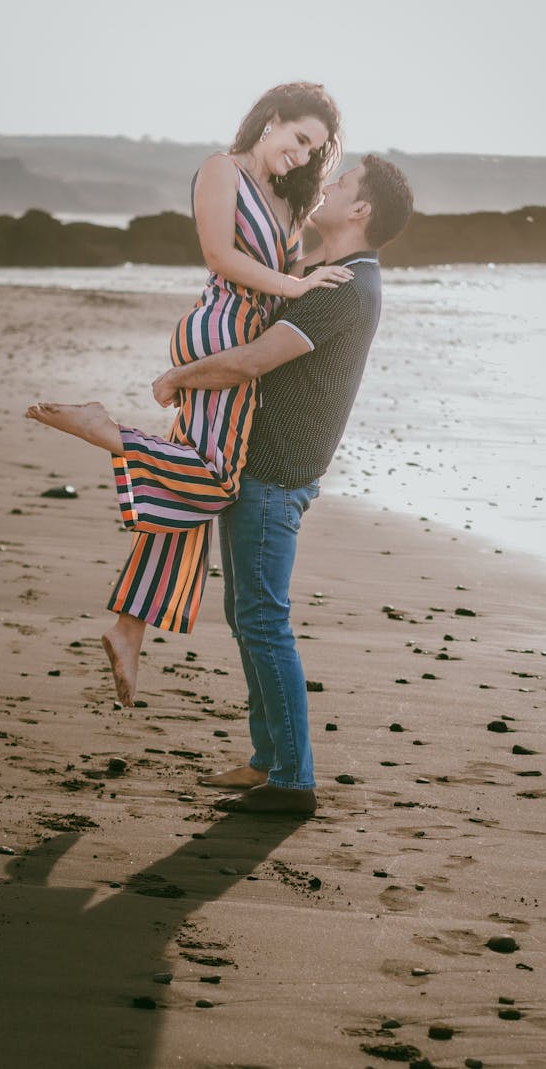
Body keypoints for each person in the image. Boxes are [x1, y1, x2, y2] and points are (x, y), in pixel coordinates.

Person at [26, 82, 350, 707]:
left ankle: (128, 628)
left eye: (316, 150)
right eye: (300, 138)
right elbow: (218, 255)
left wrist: (313, 274)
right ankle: (106, 430)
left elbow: (301, 264)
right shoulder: (219, 169)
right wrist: (295, 287)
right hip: (218, 332)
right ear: (271, 121)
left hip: (244, 345)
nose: (305, 155)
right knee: (217, 479)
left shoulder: (284, 201)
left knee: (190, 496)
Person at [151, 154, 414, 814]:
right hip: (261, 467)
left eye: (341, 181)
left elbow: (251, 361)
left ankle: (293, 780)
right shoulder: (328, 275)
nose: (325, 187)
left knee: (264, 622)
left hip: (274, 475)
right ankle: (268, 759)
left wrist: (177, 378)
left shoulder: (343, 287)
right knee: (248, 615)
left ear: (360, 210)